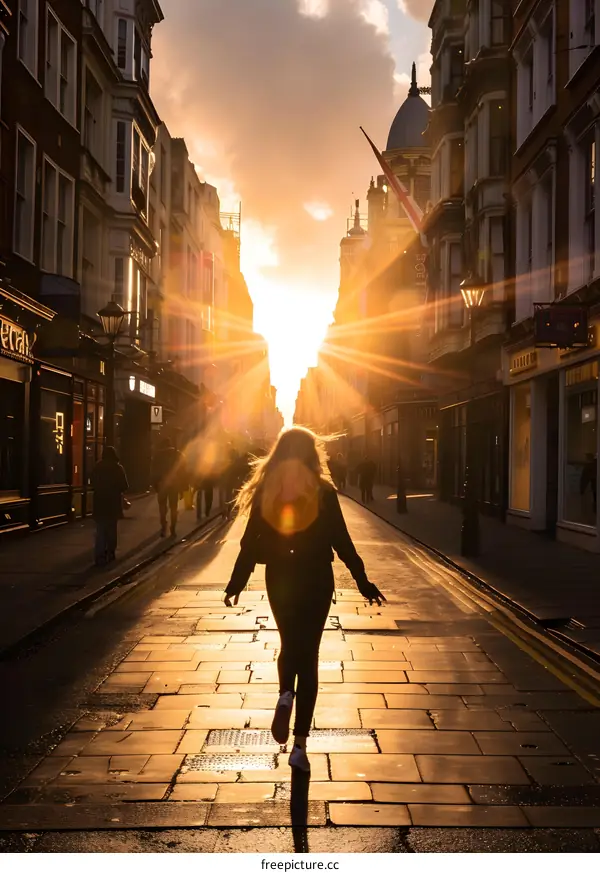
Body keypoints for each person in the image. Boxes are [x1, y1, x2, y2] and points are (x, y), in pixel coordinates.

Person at [223, 427, 385, 773]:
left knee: (288, 643)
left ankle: (284, 695)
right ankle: (299, 745)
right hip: (316, 577)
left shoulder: (269, 490)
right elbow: (342, 540)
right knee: (308, 653)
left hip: (280, 575)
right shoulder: (323, 492)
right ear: (313, 455)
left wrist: (236, 582)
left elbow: (250, 541)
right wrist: (362, 581)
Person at [90, 446, 129, 567]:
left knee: (100, 530)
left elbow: (92, 483)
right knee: (111, 529)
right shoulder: (118, 468)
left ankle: (99, 556)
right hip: (112, 503)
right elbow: (124, 486)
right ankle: (110, 552)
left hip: (100, 502)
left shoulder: (97, 466)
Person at [152, 437, 187, 537]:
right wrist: (183, 487)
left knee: (162, 507)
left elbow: (153, 471)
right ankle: (173, 527)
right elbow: (183, 471)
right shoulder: (178, 454)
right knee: (174, 507)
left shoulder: (157, 456)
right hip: (174, 485)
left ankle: (163, 526)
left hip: (162, 484)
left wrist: (155, 484)